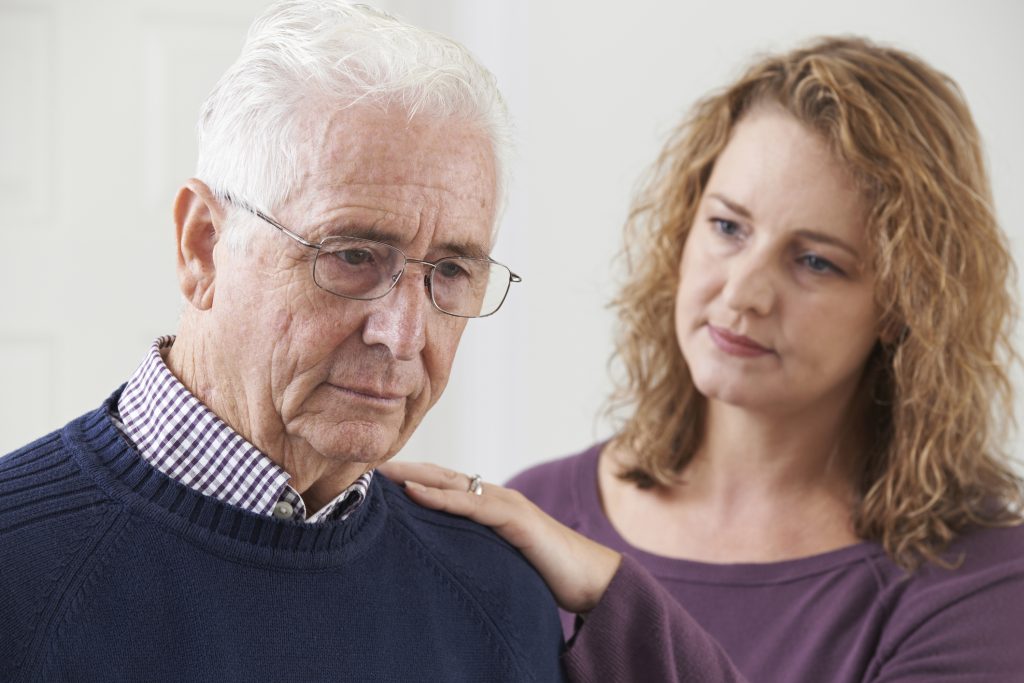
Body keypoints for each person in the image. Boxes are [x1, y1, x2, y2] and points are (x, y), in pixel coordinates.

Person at [382, 36, 1024, 681]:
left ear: (905, 301)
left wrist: (615, 598)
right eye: (728, 227)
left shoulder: (983, 581)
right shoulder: (538, 509)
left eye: (816, 261)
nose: (743, 293)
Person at [0, 2, 566, 681]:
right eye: (353, 255)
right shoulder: (18, 571)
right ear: (203, 246)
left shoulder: (502, 597)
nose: (403, 335)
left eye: (450, 271)